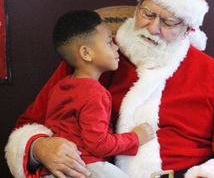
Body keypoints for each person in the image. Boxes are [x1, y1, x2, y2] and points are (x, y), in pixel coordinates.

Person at [5, 0, 214, 178]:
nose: (152, 28)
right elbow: (29, 123)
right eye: (147, 13)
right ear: (137, 7)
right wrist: (39, 147)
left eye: (169, 22)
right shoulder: (93, 60)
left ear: (188, 29)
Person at [35, 10, 155, 178]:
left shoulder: (60, 87)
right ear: (86, 53)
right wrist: (135, 137)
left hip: (55, 170)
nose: (116, 47)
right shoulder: (95, 93)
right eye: (108, 42)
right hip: (88, 167)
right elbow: (98, 144)